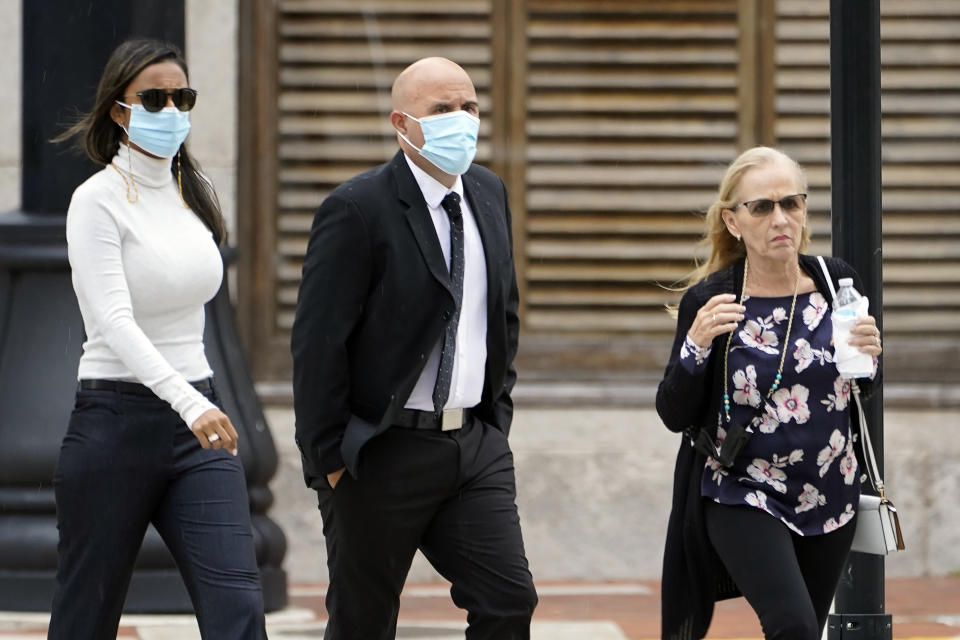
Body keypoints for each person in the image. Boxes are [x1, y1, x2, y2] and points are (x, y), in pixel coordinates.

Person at [291, 56, 537, 640]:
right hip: (380, 452)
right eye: (442, 110)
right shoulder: (357, 209)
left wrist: (494, 421)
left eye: (469, 107)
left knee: (509, 602)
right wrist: (329, 459)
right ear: (403, 123)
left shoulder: (488, 191)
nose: (462, 120)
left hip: (472, 448)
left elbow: (501, 309)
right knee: (364, 622)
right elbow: (318, 343)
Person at [48, 39, 267, 639]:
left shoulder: (193, 191)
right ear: (120, 111)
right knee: (86, 617)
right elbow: (114, 322)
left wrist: (199, 399)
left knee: (238, 610)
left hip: (196, 426)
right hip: (114, 422)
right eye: (153, 98)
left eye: (182, 96)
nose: (171, 110)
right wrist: (190, 402)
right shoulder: (94, 203)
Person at [656, 146, 883, 640]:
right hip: (744, 489)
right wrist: (695, 346)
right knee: (793, 627)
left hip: (829, 490)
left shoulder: (837, 281)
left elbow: (857, 386)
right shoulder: (713, 298)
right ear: (733, 221)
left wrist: (870, 356)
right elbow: (673, 412)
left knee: (806, 628)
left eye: (792, 204)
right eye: (762, 207)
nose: (780, 218)